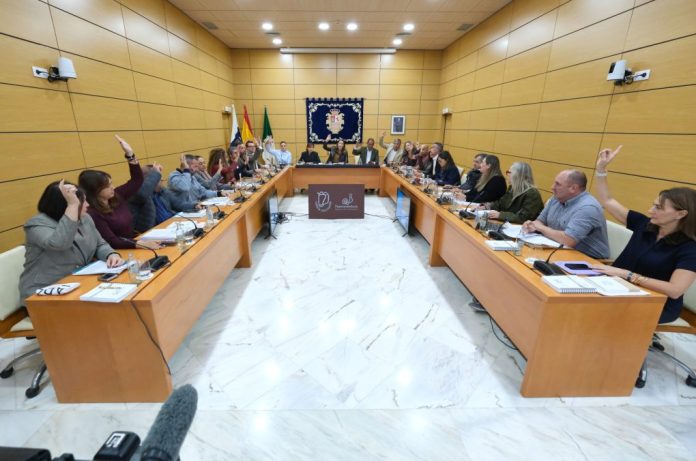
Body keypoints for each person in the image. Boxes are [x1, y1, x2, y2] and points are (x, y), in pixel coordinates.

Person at [591, 146, 696, 324]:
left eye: (658, 208)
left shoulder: (690, 248)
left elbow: (675, 290)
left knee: (594, 313)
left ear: (681, 214)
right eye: (653, 205)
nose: (650, 210)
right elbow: (607, 200)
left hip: (656, 303)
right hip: (617, 287)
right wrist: (601, 169)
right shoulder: (645, 224)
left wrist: (628, 275)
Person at [19, 180, 125, 304]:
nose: (87, 205)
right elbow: (59, 244)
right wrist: (73, 206)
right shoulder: (37, 225)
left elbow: (99, 243)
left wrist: (111, 254)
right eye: (82, 202)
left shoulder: (85, 218)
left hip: (79, 283)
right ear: (66, 205)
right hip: (45, 292)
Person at [79, 136, 160, 250]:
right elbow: (113, 241)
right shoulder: (93, 213)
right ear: (95, 190)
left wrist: (130, 155)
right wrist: (139, 244)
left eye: (111, 183)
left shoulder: (116, 195)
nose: (112, 187)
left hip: (134, 243)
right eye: (107, 186)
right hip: (119, 251)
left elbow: (137, 180)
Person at [522, 169, 609, 259]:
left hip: (588, 260)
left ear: (573, 188)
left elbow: (568, 240)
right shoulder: (556, 199)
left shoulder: (588, 207)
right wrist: (531, 226)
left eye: (558, 184)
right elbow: (539, 221)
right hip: (558, 249)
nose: (552, 187)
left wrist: (540, 228)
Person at [128, 162, 168, 233]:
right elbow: (142, 193)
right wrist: (155, 174)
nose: (162, 180)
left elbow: (176, 205)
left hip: (166, 227)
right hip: (146, 234)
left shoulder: (160, 191)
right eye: (158, 178)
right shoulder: (134, 191)